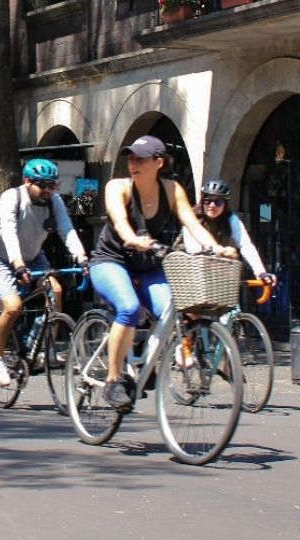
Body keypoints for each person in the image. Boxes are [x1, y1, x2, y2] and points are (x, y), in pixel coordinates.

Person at [88, 135, 223, 410]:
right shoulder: (118, 187)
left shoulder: (172, 190)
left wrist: (216, 247)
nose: (133, 163)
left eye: (140, 158)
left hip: (148, 265)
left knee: (172, 312)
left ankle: (144, 363)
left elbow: (192, 224)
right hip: (110, 261)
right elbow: (119, 220)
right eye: (131, 158)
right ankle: (113, 378)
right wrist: (131, 238)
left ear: (158, 162)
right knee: (128, 307)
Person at [0, 158, 90, 388]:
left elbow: (67, 229)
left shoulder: (54, 202)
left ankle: (45, 346)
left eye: (52, 185)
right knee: (13, 306)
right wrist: (18, 264)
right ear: (27, 181)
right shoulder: (12, 197)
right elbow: (9, 232)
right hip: (0, 259)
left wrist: (82, 258)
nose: (48, 191)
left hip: (33, 257)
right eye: (43, 185)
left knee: (56, 290)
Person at [184, 179, 278, 286]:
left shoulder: (231, 219)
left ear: (225, 204)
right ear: (202, 202)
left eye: (218, 202)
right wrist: (222, 253)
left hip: (214, 275)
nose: (212, 205)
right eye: (207, 201)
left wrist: (261, 272)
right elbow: (194, 251)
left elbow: (246, 245)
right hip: (187, 274)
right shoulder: (192, 219)